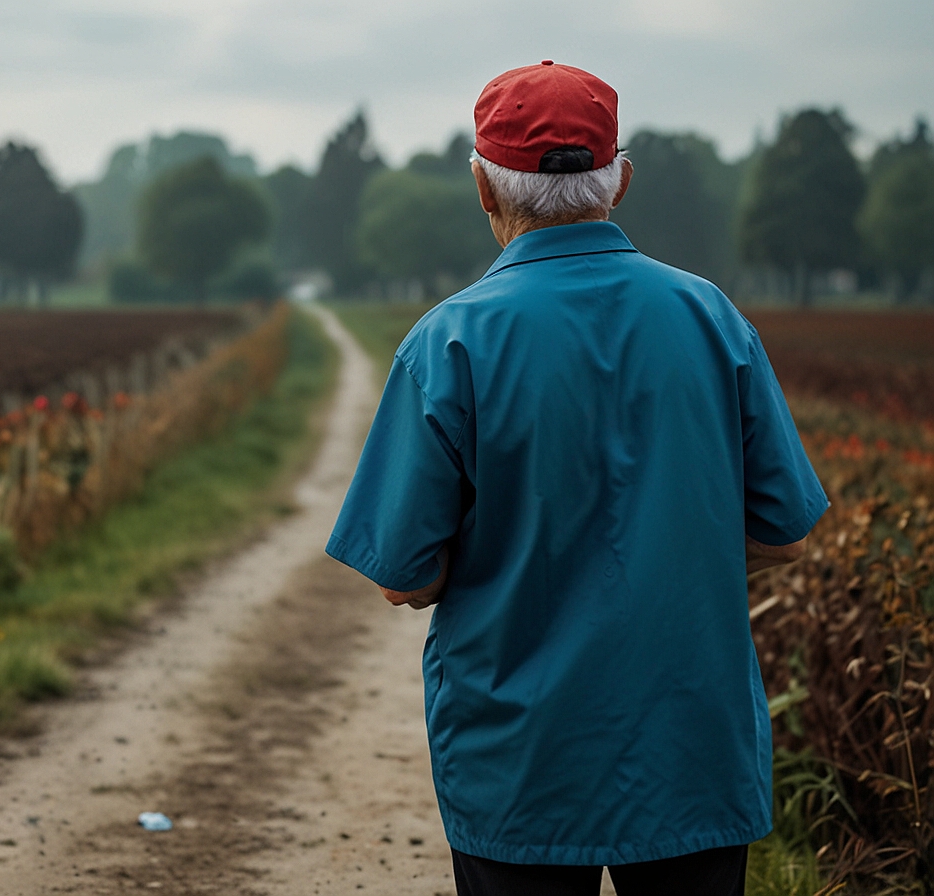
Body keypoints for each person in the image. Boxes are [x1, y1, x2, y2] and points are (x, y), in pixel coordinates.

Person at [325, 61, 829, 896]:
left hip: (520, 761)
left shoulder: (448, 343)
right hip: (689, 748)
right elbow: (786, 530)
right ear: (619, 181)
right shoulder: (712, 318)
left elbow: (405, 578)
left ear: (484, 189)